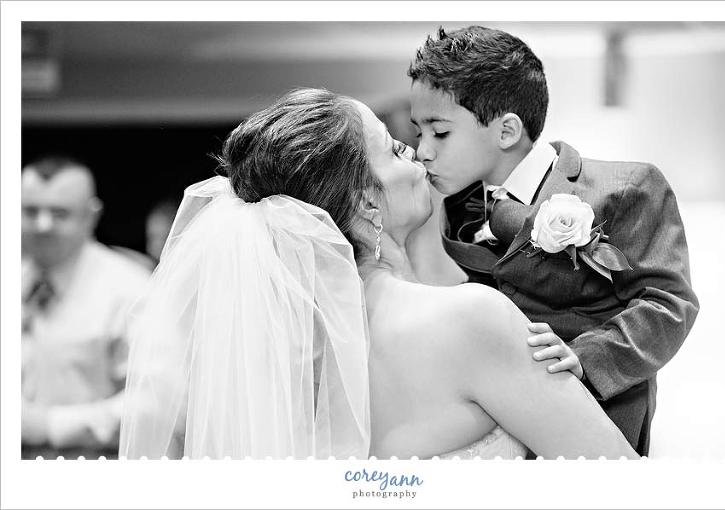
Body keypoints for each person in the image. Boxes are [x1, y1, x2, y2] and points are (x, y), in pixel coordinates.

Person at [121, 89, 639, 460]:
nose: (415, 153)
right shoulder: (470, 320)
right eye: (394, 148)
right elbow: (617, 483)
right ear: (367, 199)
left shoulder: (255, 349)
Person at [407, 26, 700, 456]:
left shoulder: (629, 187)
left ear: (507, 131)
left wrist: (587, 358)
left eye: (440, 132)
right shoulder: (457, 208)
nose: (423, 151)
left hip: (593, 429)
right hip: (493, 432)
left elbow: (669, 304)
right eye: (418, 133)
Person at [21, 156, 151, 459]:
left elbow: (157, 403)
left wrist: (50, 426)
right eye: (30, 211)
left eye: (59, 213)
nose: (43, 225)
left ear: (91, 216)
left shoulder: (130, 289)